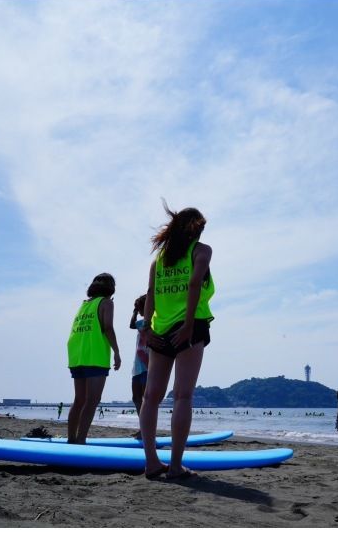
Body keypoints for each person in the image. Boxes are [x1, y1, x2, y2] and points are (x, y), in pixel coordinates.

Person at [139, 204, 214, 480]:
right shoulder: (201, 250)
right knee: (183, 396)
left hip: (159, 329)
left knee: (151, 398)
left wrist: (146, 327)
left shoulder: (159, 259)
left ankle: (151, 463)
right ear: (197, 228)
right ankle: (174, 466)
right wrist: (188, 323)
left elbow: (150, 292)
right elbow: (195, 283)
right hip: (188, 327)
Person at [66, 273, 122, 444]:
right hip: (95, 356)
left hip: (76, 355)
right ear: (111, 288)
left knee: (79, 400)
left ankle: (71, 439)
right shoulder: (106, 302)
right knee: (92, 400)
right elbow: (108, 328)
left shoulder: (84, 305)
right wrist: (117, 352)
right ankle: (81, 439)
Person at [129, 294, 150, 422]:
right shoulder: (140, 323)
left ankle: (146, 428)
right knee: (136, 398)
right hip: (137, 366)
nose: (140, 311)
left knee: (146, 398)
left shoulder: (154, 321)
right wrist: (135, 312)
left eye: (140, 308)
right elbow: (132, 325)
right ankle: (143, 425)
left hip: (148, 366)